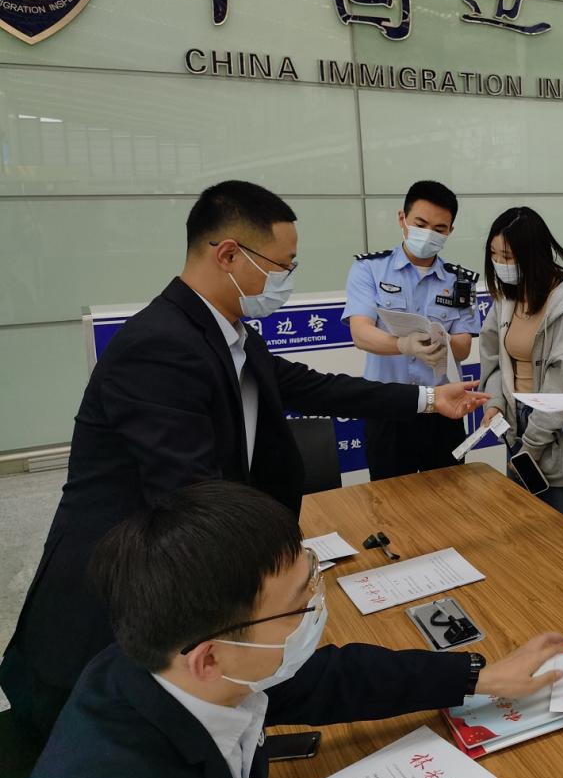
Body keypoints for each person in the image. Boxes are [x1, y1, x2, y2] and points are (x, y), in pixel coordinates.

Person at [0, 180, 487, 743]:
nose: (286, 279)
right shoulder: (159, 346)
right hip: (115, 619)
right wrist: (284, 583)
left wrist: (429, 399)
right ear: (229, 255)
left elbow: (314, 386)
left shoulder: (231, 335)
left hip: (187, 595)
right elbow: (190, 499)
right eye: (281, 266)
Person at [27, 481, 563, 778]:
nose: (315, 608)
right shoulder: (119, 777)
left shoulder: (184, 666)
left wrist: (479, 675)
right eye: (297, 605)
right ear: (209, 659)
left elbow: (335, 678)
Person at [343, 180, 484, 479]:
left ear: (450, 231)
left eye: (439, 228)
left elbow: (463, 347)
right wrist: (404, 345)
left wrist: (443, 343)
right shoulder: (369, 269)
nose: (429, 233)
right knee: (390, 496)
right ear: (402, 219)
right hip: (388, 406)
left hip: (443, 407)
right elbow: (361, 333)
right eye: (420, 224)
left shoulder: (461, 281)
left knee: (450, 493)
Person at [479, 207, 563, 529]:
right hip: (515, 425)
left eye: (507, 256)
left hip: (555, 432)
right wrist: (495, 403)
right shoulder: (507, 298)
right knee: (525, 533)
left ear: (532, 255)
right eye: (494, 254)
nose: (499, 263)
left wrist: (530, 446)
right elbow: (493, 360)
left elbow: (558, 390)